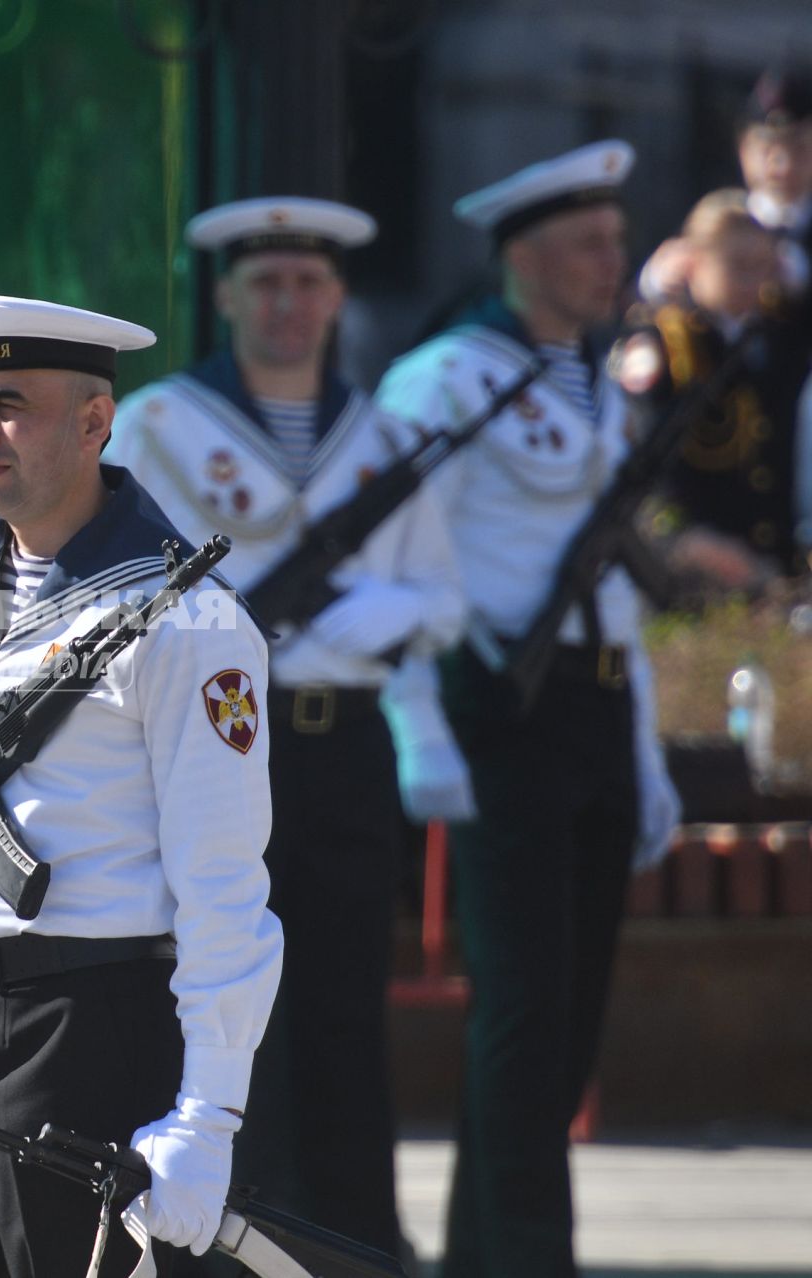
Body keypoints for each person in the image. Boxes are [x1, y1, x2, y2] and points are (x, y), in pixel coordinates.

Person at [0, 294, 282, 1278]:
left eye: (8, 403)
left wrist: (208, 1117)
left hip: (82, 1031)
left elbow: (225, 889)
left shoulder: (186, 621)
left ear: (94, 421)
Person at [106, 197, 464, 1261]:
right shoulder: (161, 425)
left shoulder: (386, 436)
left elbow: (443, 598)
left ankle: (356, 1240)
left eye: (309, 282)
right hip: (221, 742)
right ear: (224, 296)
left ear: (338, 296)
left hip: (344, 743)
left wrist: (385, 614)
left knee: (346, 1003)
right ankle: (232, 1230)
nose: (289, 303)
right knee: (224, 998)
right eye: (265, 282)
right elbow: (131, 589)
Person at [373, 141, 682, 1278]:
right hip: (501, 711)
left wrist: (643, 748)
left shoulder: (588, 378)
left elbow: (602, 577)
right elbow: (400, 560)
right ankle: (531, 1261)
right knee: (523, 1013)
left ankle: (482, 1255)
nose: (618, 262)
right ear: (529, 254)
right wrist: (418, 721)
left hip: (590, 712)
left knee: (568, 1020)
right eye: (595, 243)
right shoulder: (446, 380)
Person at [626, 190, 811, 588]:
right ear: (693, 262)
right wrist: (683, 539)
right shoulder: (667, 345)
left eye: (763, 267)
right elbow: (643, 462)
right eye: (738, 266)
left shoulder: (776, 338)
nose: (753, 283)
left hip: (774, 561)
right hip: (692, 563)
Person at [641, 64, 812, 313]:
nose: (782, 166)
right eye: (766, 149)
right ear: (743, 150)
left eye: (799, 148)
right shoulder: (718, 219)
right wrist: (656, 281)